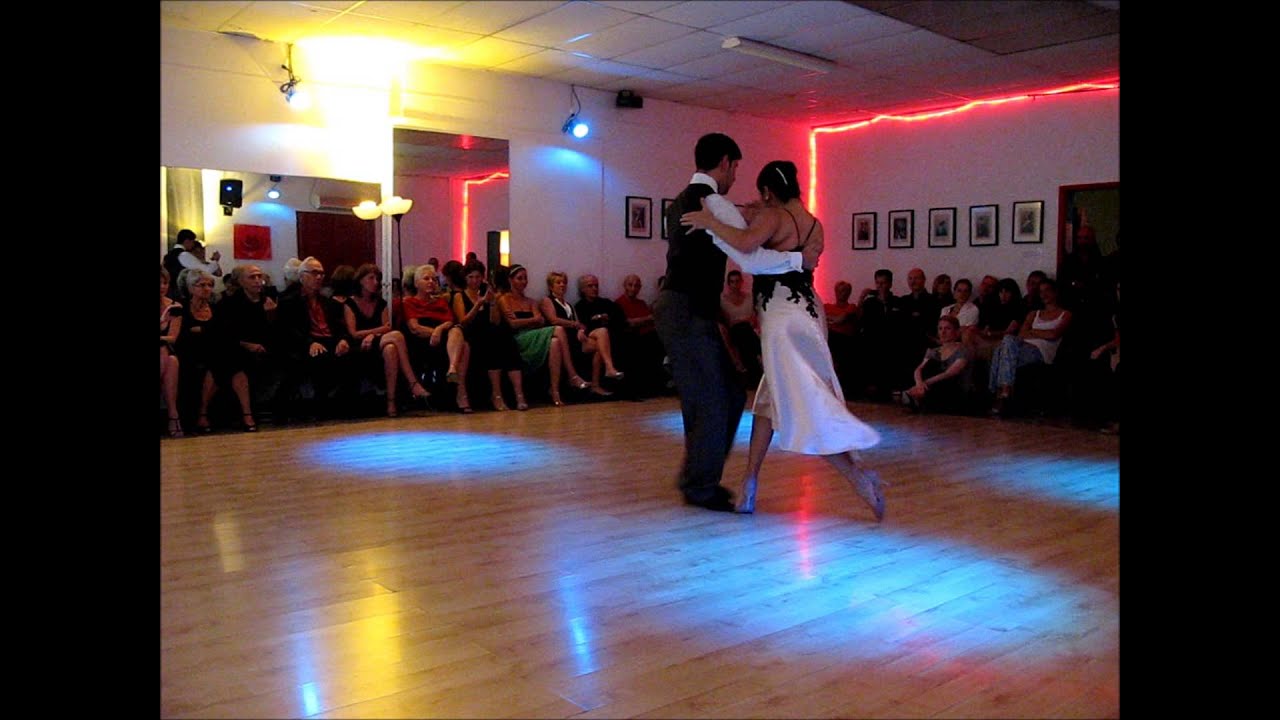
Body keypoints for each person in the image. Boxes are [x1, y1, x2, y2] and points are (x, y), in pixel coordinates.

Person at [680, 158, 884, 519]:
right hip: (809, 313)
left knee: (805, 404)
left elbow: (746, 245)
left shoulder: (774, 217)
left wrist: (710, 222)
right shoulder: (814, 223)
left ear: (767, 190)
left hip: (781, 318)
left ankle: (858, 479)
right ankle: (749, 485)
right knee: (768, 401)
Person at [655, 133, 812, 512]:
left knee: (724, 393)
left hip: (683, 308)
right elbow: (750, 257)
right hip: (687, 310)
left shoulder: (681, 201)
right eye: (736, 166)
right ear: (725, 162)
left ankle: (698, 478)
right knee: (714, 399)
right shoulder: (712, 203)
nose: (736, 175)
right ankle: (700, 486)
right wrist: (798, 260)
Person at [903, 315, 972, 414]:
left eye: (947, 328)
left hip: (953, 388)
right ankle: (919, 396)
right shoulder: (934, 351)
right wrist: (919, 384)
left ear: (956, 332)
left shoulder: (963, 350)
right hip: (932, 386)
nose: (943, 332)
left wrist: (925, 384)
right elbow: (919, 369)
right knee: (930, 364)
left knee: (938, 371)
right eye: (940, 329)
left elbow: (950, 373)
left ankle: (917, 397)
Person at [160, 266, 184, 437]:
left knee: (171, 360)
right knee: (169, 359)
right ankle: (173, 415)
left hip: (166, 350)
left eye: (165, 283)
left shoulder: (174, 306)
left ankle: (173, 414)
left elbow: (173, 337)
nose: (162, 287)